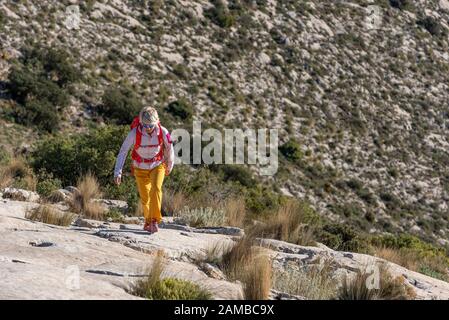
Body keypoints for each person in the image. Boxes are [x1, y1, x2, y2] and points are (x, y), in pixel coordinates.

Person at [114, 106, 174, 233]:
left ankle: (154, 221)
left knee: (156, 189)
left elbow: (169, 148)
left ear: (156, 122)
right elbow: (123, 151)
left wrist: (170, 164)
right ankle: (148, 221)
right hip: (139, 168)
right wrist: (117, 172)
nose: (148, 128)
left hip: (157, 165)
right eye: (145, 125)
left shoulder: (163, 131)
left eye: (151, 125)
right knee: (145, 197)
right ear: (141, 122)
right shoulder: (134, 133)